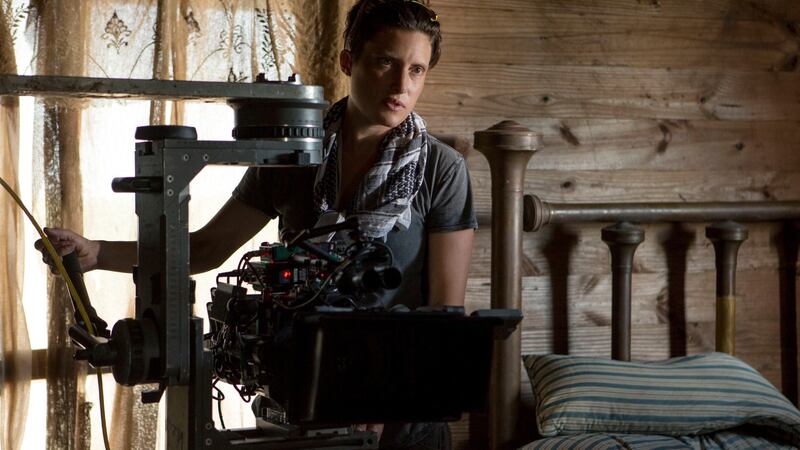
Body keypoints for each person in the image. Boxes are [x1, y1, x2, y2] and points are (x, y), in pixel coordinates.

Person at [38, 0, 476, 448]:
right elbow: (206, 249)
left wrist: (382, 400)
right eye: (386, 62)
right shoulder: (291, 156)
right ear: (349, 60)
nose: (402, 84)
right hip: (301, 404)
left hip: (399, 417)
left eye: (417, 70)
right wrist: (96, 252)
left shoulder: (441, 171)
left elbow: (442, 317)